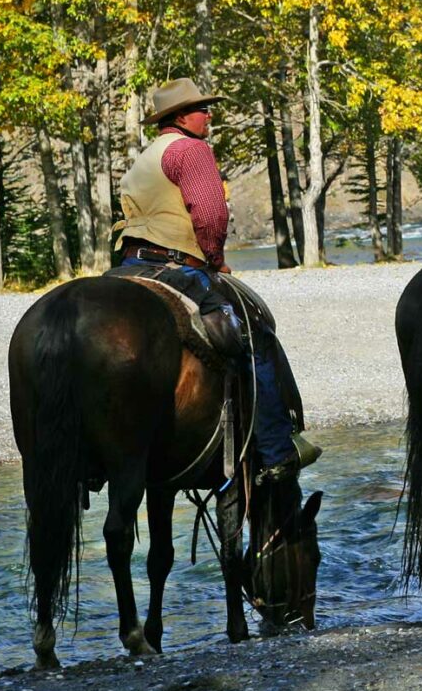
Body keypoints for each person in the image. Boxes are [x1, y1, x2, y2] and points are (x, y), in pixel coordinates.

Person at [113, 77, 314, 477]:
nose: (209, 115)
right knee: (252, 336)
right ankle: (275, 451)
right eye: (202, 108)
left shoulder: (146, 156)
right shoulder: (191, 150)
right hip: (175, 263)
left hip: (129, 265)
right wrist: (215, 258)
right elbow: (210, 214)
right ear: (181, 116)